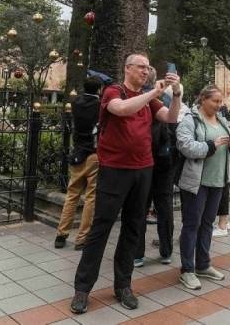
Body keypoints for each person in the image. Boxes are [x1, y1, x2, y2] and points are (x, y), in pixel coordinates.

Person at [70, 54, 181, 314]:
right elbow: (121, 109)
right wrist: (153, 91)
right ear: (127, 68)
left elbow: (171, 118)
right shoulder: (113, 91)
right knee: (101, 228)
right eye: (141, 67)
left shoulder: (149, 99)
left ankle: (123, 285)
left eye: (148, 68)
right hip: (114, 170)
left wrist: (176, 95)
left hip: (143, 170)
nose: (146, 71)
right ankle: (82, 289)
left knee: (134, 227)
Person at [176, 85, 230, 290]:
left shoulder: (221, 120)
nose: (219, 105)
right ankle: (187, 269)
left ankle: (203, 264)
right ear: (203, 99)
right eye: (215, 101)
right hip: (196, 182)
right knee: (192, 224)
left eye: (221, 102)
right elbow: (185, 146)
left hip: (217, 181)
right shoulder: (190, 120)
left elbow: (227, 145)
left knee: (207, 224)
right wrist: (211, 145)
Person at [134, 76, 178, 268]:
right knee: (165, 205)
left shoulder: (137, 100)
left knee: (140, 207)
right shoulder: (166, 99)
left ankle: (137, 254)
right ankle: (166, 251)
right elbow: (174, 122)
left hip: (145, 160)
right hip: (164, 159)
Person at [55, 76, 102, 250]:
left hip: (77, 154)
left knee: (72, 195)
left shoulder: (75, 103)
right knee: (91, 197)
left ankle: (61, 235)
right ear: (98, 90)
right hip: (92, 154)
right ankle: (82, 238)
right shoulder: (99, 105)